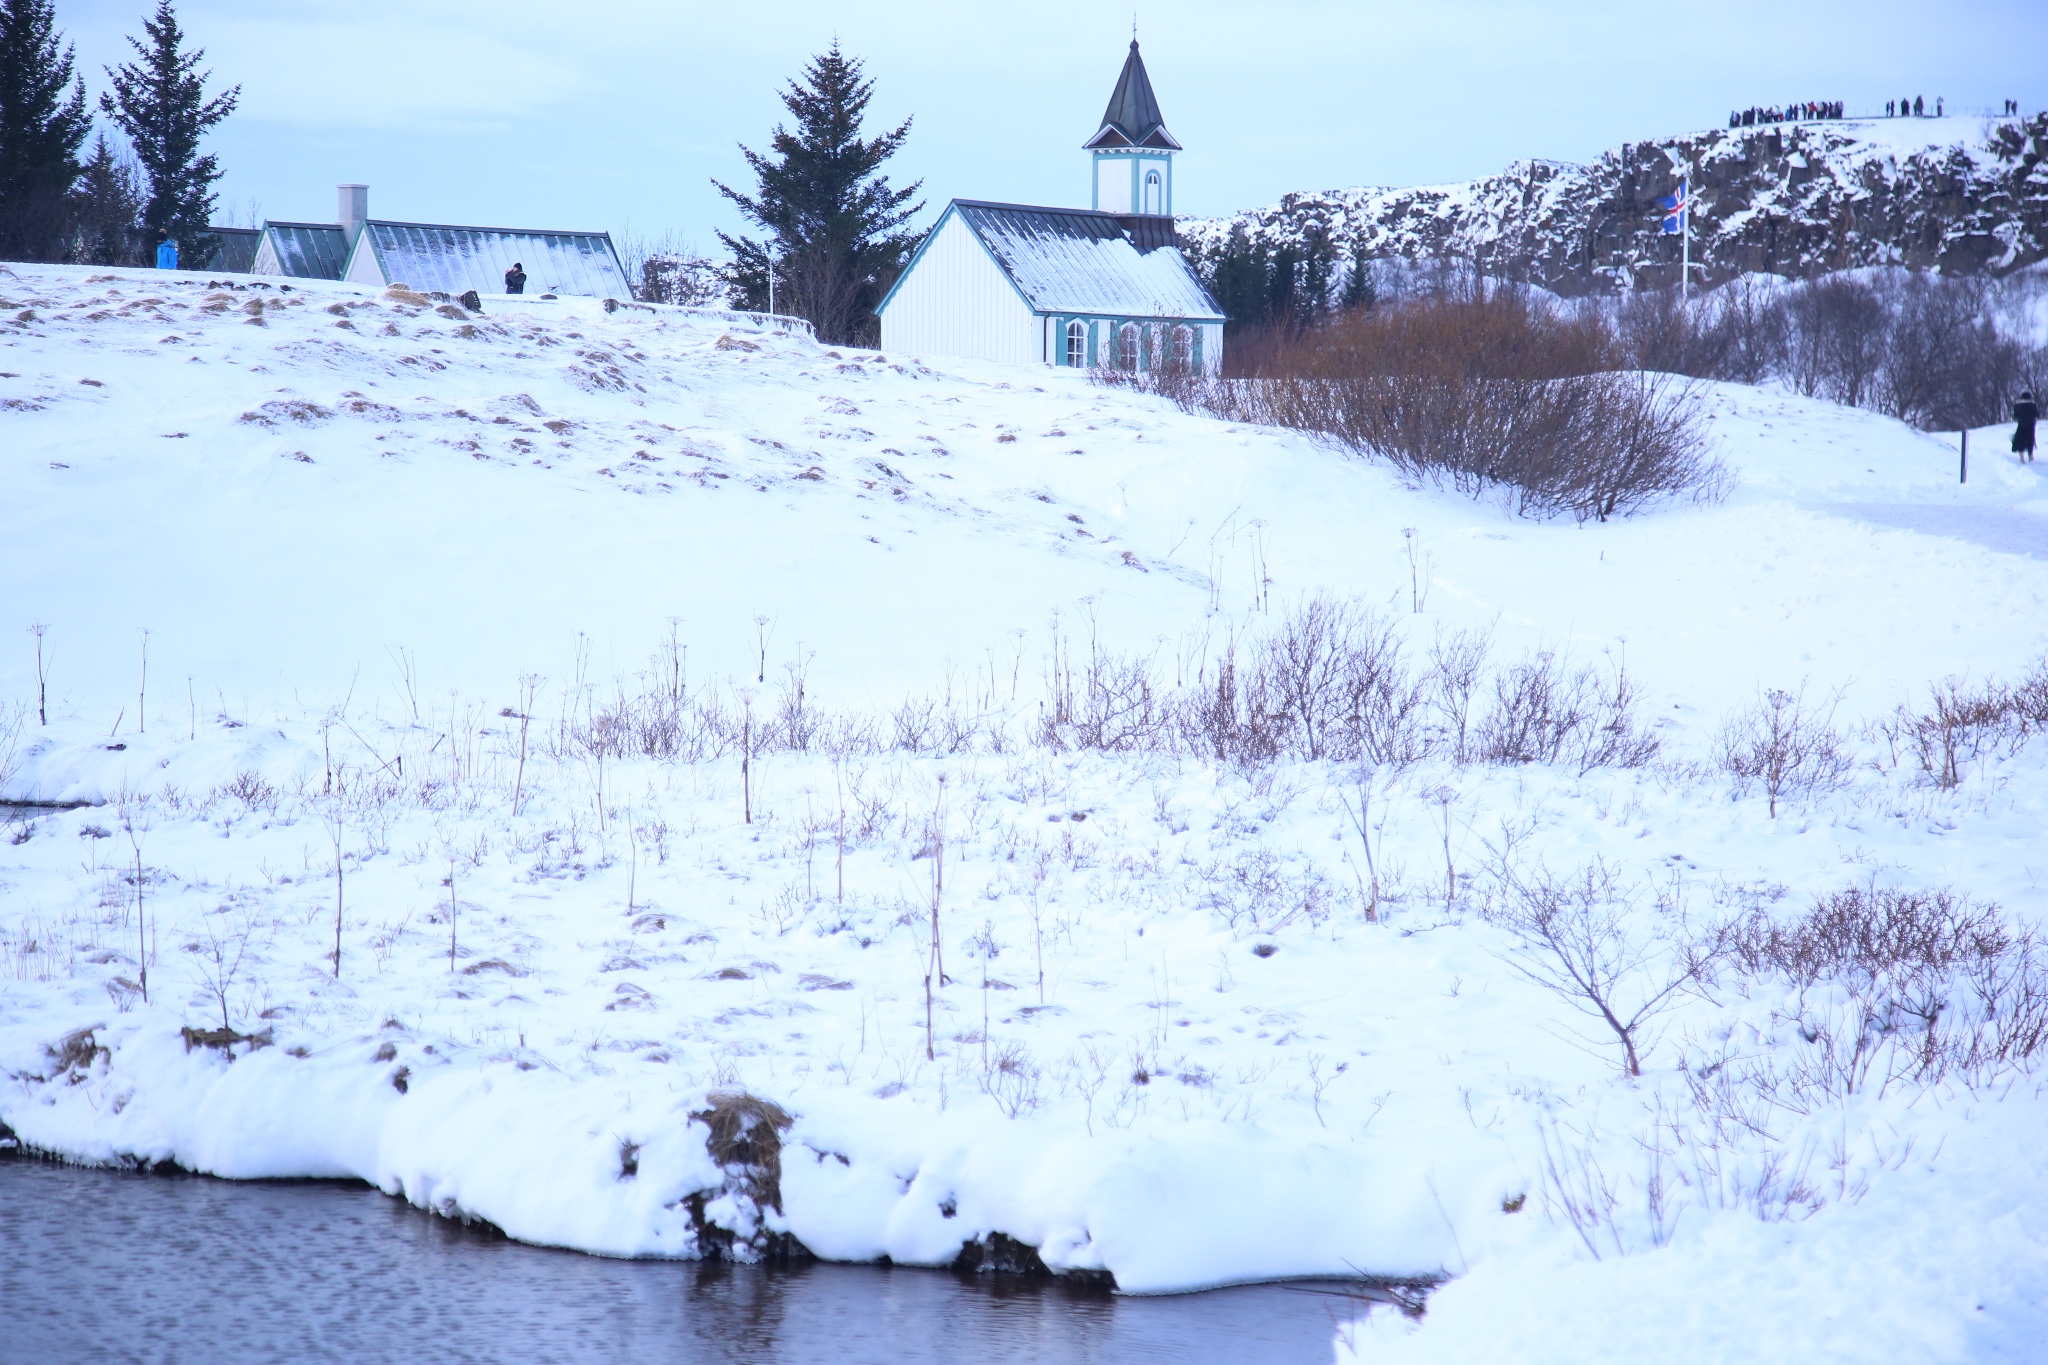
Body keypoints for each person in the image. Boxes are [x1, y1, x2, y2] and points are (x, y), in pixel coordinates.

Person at [2015, 391, 2038, 464]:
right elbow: (2037, 414)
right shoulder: (2032, 405)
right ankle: (2030, 455)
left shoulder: (2017, 405)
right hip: (2031, 425)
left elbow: (2015, 415)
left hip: (2021, 424)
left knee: (2020, 439)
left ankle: (2021, 457)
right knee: (2030, 439)